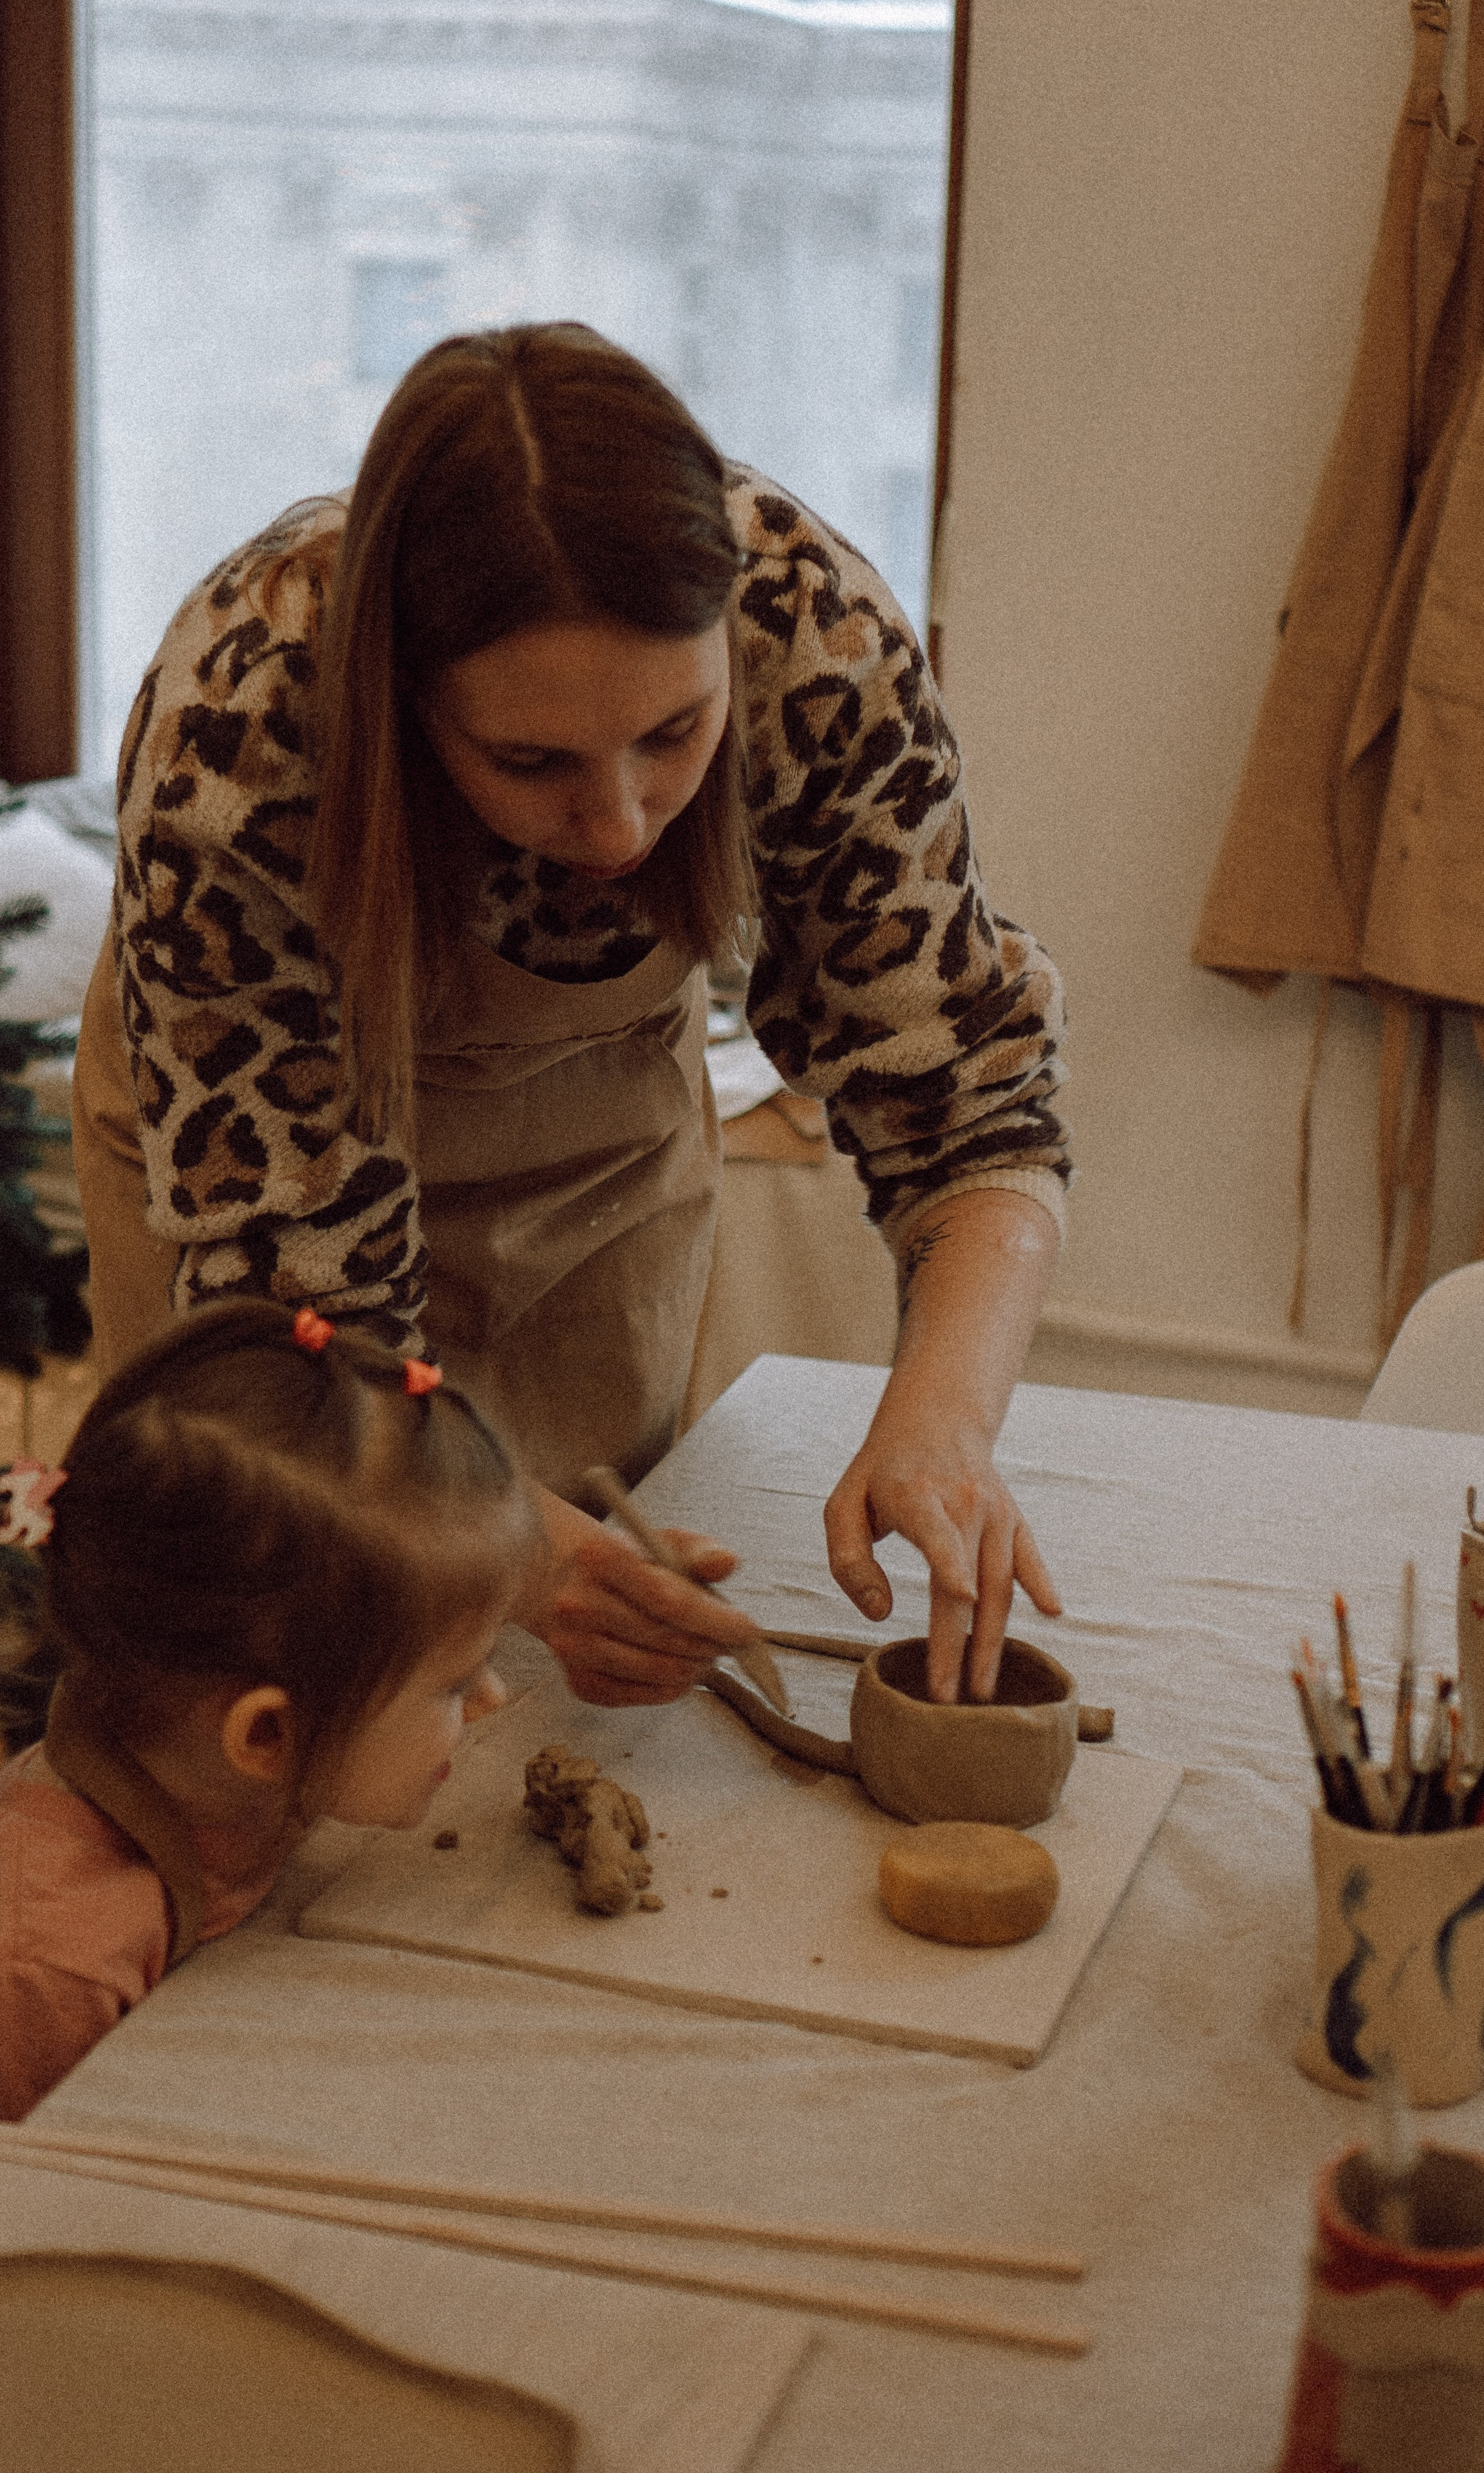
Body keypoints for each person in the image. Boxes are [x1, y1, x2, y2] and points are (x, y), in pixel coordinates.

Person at [73, 321, 1071, 1710]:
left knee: (575, 1665)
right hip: (267, 1209)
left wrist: (940, 1424)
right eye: (529, 760)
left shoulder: (810, 634)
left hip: (595, 1138)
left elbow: (971, 1105)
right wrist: (498, 1553)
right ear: (409, 699)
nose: (614, 822)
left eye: (673, 734)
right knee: (296, 1646)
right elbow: (297, 1313)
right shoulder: (243, 723)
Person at [0, 1298, 556, 2222]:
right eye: (453, 1688)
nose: (492, 1700)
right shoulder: (35, 1976)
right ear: (265, 1736)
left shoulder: (215, 1775)